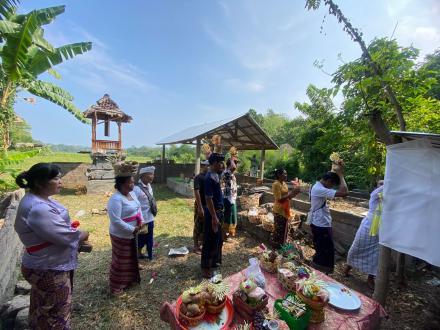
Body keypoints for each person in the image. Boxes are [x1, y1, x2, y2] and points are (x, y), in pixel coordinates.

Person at [14, 163, 89, 329]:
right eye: (56, 178)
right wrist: (83, 234)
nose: (60, 181)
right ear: (40, 183)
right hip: (49, 269)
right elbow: (66, 236)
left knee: (43, 307)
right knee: (56, 314)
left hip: (44, 264)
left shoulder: (38, 199)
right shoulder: (38, 208)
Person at [107, 169, 143, 295]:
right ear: (122, 184)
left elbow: (138, 208)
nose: (133, 184)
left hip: (133, 233)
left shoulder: (132, 194)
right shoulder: (115, 199)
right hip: (120, 234)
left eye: (133, 182)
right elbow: (115, 220)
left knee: (131, 258)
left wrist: (140, 221)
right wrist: (132, 229)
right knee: (120, 261)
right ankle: (116, 286)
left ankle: (129, 280)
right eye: (131, 182)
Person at [344, 180, 384, 289]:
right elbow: (378, 192)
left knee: (376, 255)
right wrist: (386, 184)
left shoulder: (388, 199)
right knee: (357, 247)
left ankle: (370, 278)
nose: (383, 186)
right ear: (377, 186)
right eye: (380, 184)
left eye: (384, 184)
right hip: (368, 226)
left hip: (381, 229)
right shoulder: (375, 196)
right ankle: (348, 267)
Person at [310, 170, 348, 273]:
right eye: (332, 185)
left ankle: (319, 271)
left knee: (323, 249)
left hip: (320, 222)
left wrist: (336, 169)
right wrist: (341, 175)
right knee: (325, 250)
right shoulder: (319, 189)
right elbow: (345, 193)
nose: (331, 187)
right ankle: (319, 272)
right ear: (328, 181)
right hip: (321, 224)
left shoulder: (318, 187)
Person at [201, 153, 225, 278]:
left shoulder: (216, 174)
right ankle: (205, 268)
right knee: (209, 240)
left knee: (217, 239)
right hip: (212, 213)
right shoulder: (209, 178)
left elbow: (230, 167)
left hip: (218, 211)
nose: (222, 165)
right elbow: (208, 199)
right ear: (214, 163)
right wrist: (214, 217)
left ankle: (214, 262)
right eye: (220, 163)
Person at [271, 168, 301, 249]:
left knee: (284, 230)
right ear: (278, 175)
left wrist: (295, 193)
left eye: (286, 174)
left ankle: (282, 248)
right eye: (284, 174)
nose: (286, 175)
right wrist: (292, 192)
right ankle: (275, 249)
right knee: (278, 231)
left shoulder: (284, 183)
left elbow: (288, 197)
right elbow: (279, 199)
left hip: (285, 208)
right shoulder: (276, 184)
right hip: (279, 210)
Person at [133, 166, 157, 261]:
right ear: (143, 176)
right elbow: (134, 204)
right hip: (142, 219)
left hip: (150, 217)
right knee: (141, 238)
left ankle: (150, 255)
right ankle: (138, 254)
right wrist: (138, 220)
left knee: (149, 238)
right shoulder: (136, 189)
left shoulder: (149, 186)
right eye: (150, 174)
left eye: (153, 174)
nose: (152, 176)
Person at [193, 160, 209, 254]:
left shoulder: (209, 177)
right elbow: (196, 192)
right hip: (201, 204)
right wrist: (200, 207)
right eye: (207, 166)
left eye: (209, 165)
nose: (208, 167)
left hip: (208, 205)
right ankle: (195, 246)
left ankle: (202, 243)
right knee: (198, 224)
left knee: (206, 225)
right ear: (203, 166)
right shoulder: (198, 177)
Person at [222, 158, 238, 242]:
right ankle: (224, 236)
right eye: (236, 163)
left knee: (230, 217)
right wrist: (232, 159)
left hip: (231, 198)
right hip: (228, 198)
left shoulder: (230, 172)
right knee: (227, 217)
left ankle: (226, 235)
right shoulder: (227, 172)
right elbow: (234, 167)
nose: (236, 165)